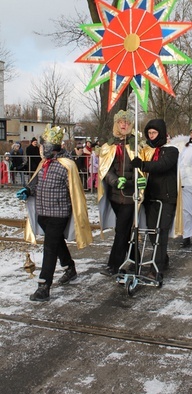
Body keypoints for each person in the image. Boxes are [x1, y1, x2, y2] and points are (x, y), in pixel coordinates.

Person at [17, 124, 92, 302]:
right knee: (56, 242)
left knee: (49, 248)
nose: (41, 148)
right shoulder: (44, 164)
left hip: (58, 213)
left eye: (44, 145)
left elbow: (73, 190)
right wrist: (28, 190)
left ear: (52, 146)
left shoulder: (67, 165)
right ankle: (69, 268)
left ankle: (44, 286)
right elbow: (36, 184)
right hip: (42, 212)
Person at [131, 119, 180, 282]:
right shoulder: (147, 151)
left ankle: (156, 269)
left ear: (162, 133)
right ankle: (163, 259)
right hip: (151, 197)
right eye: (149, 133)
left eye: (154, 133)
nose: (152, 136)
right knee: (152, 234)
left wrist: (143, 165)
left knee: (160, 233)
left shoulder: (171, 151)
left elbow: (162, 165)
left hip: (166, 198)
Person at [98, 110, 145, 276]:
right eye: (121, 122)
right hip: (115, 195)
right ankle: (135, 260)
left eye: (127, 122)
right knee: (126, 230)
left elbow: (140, 170)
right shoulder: (110, 145)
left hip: (131, 196)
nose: (124, 125)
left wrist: (132, 182)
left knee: (121, 230)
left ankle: (114, 265)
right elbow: (106, 170)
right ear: (116, 124)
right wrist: (115, 181)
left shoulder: (137, 145)